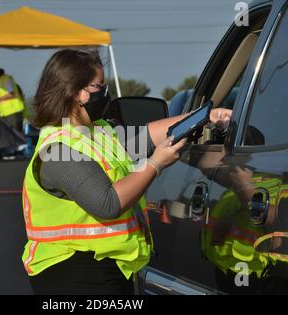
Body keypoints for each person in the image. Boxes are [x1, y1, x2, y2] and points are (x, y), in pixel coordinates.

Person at [21, 49, 232, 295]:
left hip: (107, 269)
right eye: (99, 86)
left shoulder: (97, 131)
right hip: (72, 273)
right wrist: (155, 164)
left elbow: (146, 136)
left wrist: (204, 117)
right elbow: (107, 203)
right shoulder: (58, 151)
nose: (105, 93)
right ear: (77, 93)